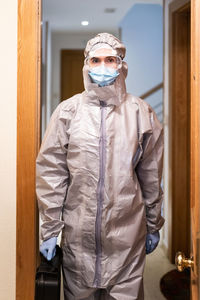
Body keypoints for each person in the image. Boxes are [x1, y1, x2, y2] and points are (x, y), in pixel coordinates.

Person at [36, 32, 164, 300]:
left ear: (121, 65)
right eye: (95, 60)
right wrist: (49, 229)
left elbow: (151, 175)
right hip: (79, 240)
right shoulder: (67, 113)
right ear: (87, 65)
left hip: (126, 240)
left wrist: (153, 224)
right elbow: (52, 173)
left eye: (110, 60)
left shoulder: (141, 114)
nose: (103, 66)